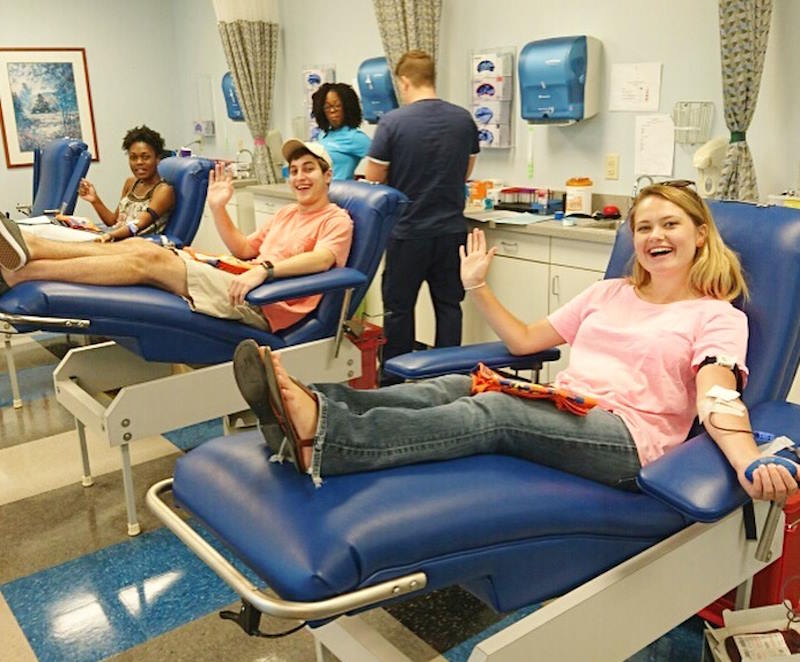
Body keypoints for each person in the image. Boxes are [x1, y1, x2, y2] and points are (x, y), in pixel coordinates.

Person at [232, 182, 799, 501]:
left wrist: (747, 460)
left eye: (670, 224)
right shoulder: (610, 294)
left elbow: (717, 395)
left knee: (496, 412)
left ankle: (329, 438)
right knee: (454, 384)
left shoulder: (716, 314)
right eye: (644, 226)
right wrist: (477, 288)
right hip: (571, 408)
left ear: (700, 235)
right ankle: (310, 406)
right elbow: (527, 339)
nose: (654, 236)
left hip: (631, 440)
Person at [0, 140, 352, 332]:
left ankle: (25, 271)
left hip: (266, 303)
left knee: (148, 258)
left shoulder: (337, 219)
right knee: (136, 245)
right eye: (294, 170)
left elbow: (323, 260)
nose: (300, 177)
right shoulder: (287, 213)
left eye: (309, 169)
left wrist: (267, 270)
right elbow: (243, 248)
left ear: (327, 175)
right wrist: (218, 208)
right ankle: (29, 247)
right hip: (240, 277)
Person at [364, 50, 480, 385]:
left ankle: (394, 385)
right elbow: (466, 171)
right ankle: (450, 382)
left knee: (399, 311)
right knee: (449, 307)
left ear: (403, 82)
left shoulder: (393, 122)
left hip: (407, 232)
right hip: (451, 233)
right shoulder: (463, 120)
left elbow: (374, 178)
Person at [78, 125, 175, 241]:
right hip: (117, 240)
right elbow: (114, 222)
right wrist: (95, 200)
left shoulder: (163, 190)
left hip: (137, 247)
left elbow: (138, 224)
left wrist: (110, 236)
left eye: (145, 157)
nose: (139, 162)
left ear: (157, 159)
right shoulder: (131, 183)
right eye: (133, 157)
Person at [311, 83, 371, 181]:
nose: (333, 110)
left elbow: (381, 163)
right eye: (327, 107)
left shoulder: (355, 137)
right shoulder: (323, 135)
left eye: (337, 105)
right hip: (322, 192)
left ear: (347, 107)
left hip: (342, 193)